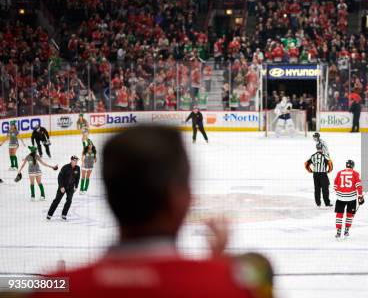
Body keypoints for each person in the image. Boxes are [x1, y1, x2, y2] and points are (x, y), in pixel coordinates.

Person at [34, 125, 257, 298]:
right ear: (181, 200)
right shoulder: (227, 287)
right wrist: (218, 270)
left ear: (111, 197)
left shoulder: (56, 289)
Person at [333, 160, 364, 239]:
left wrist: (341, 193)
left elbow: (335, 186)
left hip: (340, 198)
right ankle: (346, 231)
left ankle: (338, 231)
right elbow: (359, 186)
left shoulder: (339, 173)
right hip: (352, 198)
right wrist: (360, 196)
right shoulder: (355, 173)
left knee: (339, 214)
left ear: (346, 165)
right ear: (353, 166)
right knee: (350, 215)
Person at [47, 156, 81, 221]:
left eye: (77, 161)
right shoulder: (65, 167)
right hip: (63, 186)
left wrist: (76, 186)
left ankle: (64, 214)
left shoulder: (77, 168)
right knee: (57, 200)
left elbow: (77, 178)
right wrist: (61, 187)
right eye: (74, 160)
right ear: (71, 160)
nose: (76, 162)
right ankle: (49, 214)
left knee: (69, 200)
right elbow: (60, 177)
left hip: (71, 187)